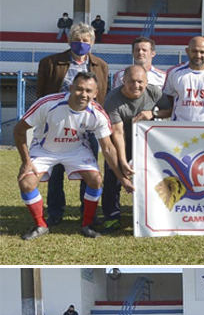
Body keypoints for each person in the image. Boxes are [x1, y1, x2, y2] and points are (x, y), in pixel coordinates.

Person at [14, 71, 131, 240]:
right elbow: (19, 130)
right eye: (79, 89)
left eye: (89, 91)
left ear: (95, 93)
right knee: (26, 183)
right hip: (44, 149)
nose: (83, 94)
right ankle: (40, 225)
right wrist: (26, 161)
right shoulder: (48, 103)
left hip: (76, 149)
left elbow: (108, 148)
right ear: (70, 88)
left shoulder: (97, 113)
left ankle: (87, 224)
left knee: (96, 180)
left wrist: (121, 177)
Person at [36, 21, 108, 227]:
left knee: (89, 168)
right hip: (57, 123)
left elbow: (100, 95)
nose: (81, 44)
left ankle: (88, 211)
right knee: (56, 167)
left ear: (92, 43)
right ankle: (55, 211)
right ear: (70, 41)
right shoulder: (50, 63)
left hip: (88, 126)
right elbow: (41, 93)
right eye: (77, 40)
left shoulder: (100, 66)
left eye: (85, 41)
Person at [102, 65, 163, 233]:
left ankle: (151, 214)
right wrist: (122, 161)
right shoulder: (112, 99)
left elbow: (170, 109)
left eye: (140, 82)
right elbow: (118, 132)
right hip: (121, 140)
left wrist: (154, 114)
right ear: (123, 81)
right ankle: (111, 217)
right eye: (131, 82)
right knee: (112, 176)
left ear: (147, 82)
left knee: (154, 177)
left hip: (147, 143)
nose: (136, 85)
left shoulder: (154, 92)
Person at [161, 36, 204, 122]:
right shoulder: (174, 73)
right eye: (194, 51)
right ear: (187, 51)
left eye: (202, 52)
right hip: (179, 128)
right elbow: (168, 99)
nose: (198, 55)